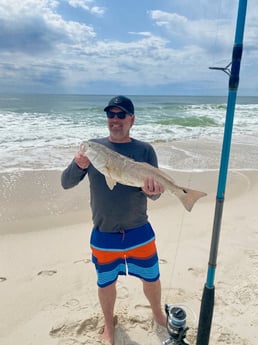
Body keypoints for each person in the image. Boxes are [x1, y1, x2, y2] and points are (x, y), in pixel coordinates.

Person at [61, 95, 167, 344]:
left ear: (132, 119)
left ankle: (158, 314)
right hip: (104, 230)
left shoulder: (144, 150)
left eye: (121, 115)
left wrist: (153, 191)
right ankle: (109, 324)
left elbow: (154, 197)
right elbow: (66, 183)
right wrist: (78, 164)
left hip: (138, 228)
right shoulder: (93, 149)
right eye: (111, 115)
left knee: (151, 277)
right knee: (106, 282)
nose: (115, 120)